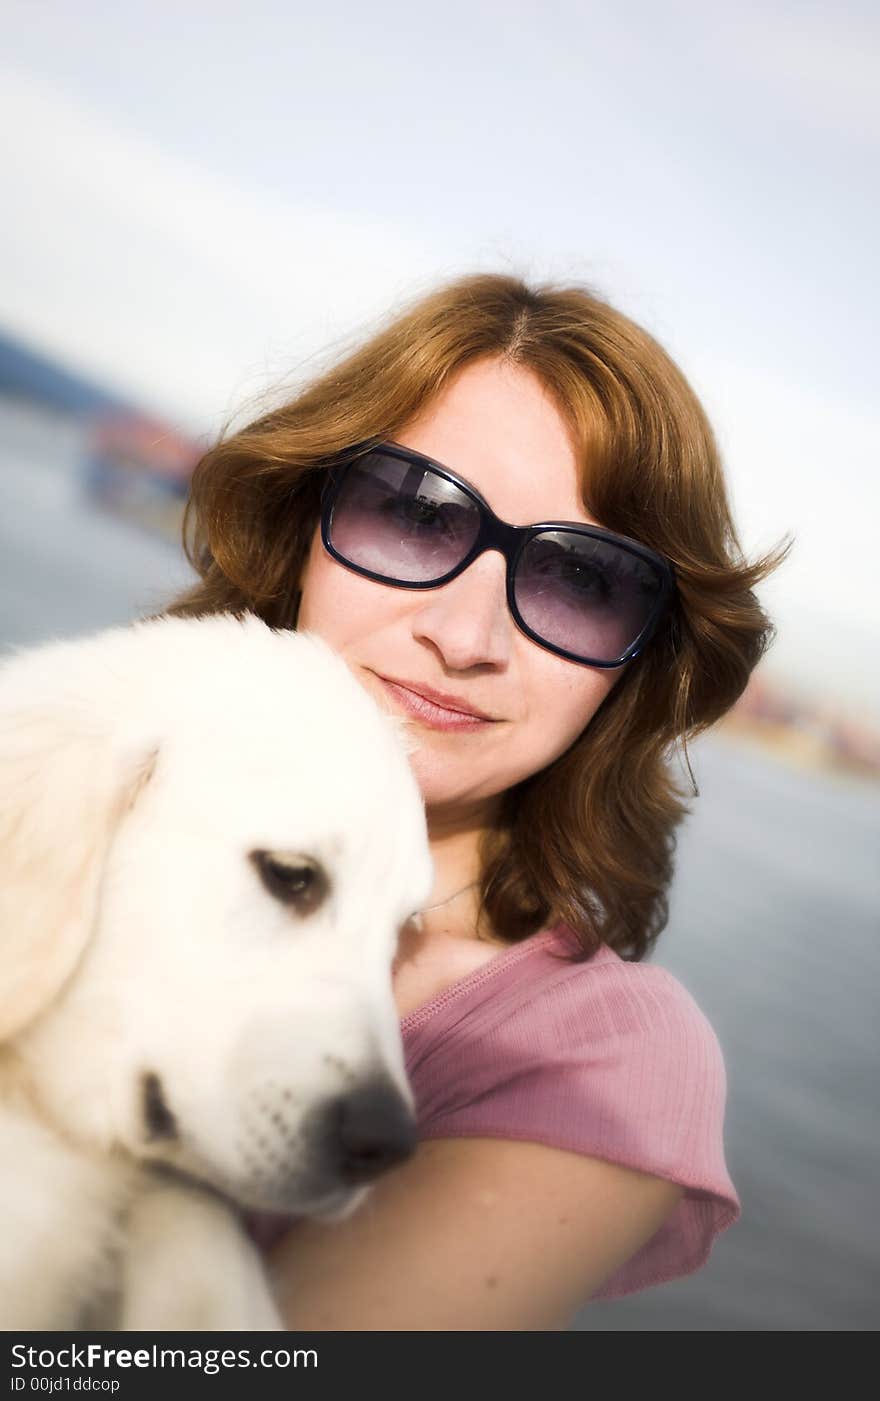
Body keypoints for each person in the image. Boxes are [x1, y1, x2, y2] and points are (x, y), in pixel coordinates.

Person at [160, 272, 787, 1329]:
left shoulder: (595, 1057)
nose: (465, 637)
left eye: (581, 582)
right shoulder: (66, 780)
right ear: (302, 517)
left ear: (633, 665)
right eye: (416, 513)